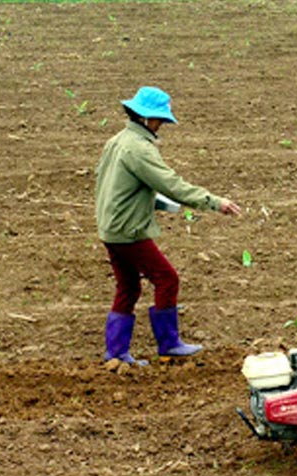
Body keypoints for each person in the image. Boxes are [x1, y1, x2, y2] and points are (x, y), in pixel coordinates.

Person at [95, 86, 241, 368]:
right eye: (159, 120)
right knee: (166, 278)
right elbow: (172, 184)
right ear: (146, 118)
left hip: (110, 227)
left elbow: (114, 184)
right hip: (129, 231)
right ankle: (169, 344)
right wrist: (214, 202)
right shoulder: (139, 149)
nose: (161, 125)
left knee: (128, 286)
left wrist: (150, 202)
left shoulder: (117, 141)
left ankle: (115, 353)